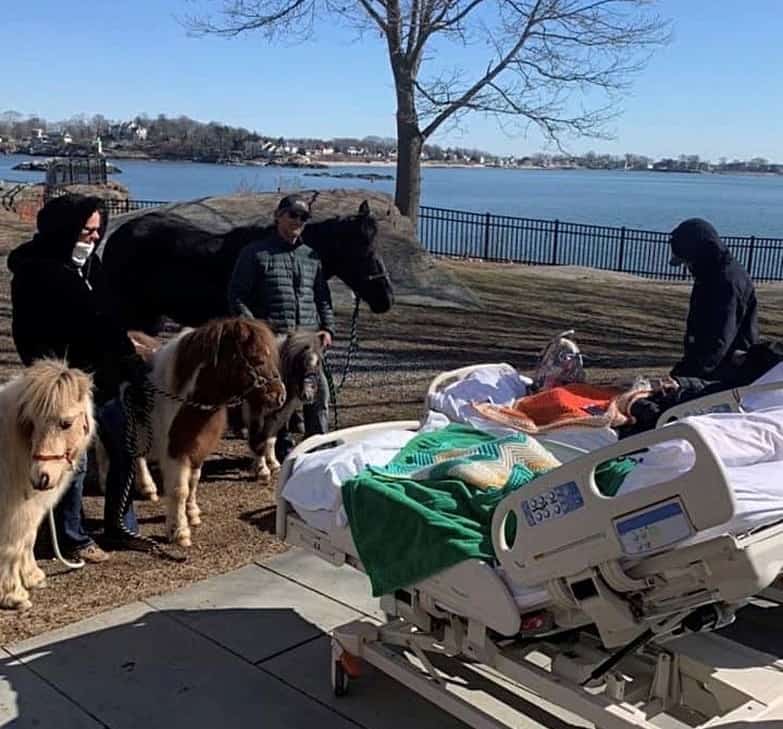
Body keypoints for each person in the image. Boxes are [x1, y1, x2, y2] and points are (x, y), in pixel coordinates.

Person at [8, 194, 145, 561]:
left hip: (107, 379)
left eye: (97, 231)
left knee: (126, 447)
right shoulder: (35, 274)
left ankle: (120, 523)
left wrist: (128, 357)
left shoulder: (90, 267)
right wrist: (55, 378)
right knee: (74, 461)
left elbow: (107, 319)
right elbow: (28, 335)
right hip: (66, 386)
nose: (93, 238)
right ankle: (72, 535)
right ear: (64, 230)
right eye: (86, 231)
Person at [227, 194, 335, 451]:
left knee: (318, 395)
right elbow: (237, 294)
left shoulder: (311, 257)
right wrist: (255, 331)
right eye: (293, 214)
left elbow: (323, 298)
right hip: (275, 338)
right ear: (278, 216)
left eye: (304, 217)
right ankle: (281, 444)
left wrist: (328, 328)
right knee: (279, 396)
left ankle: (317, 446)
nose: (298, 220)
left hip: (308, 341)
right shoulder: (255, 253)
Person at [668, 217, 759, 381]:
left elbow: (719, 340)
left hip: (724, 373)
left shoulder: (726, 282)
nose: (687, 267)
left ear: (700, 254)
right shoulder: (710, 275)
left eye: (688, 261)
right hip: (711, 367)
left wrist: (687, 377)